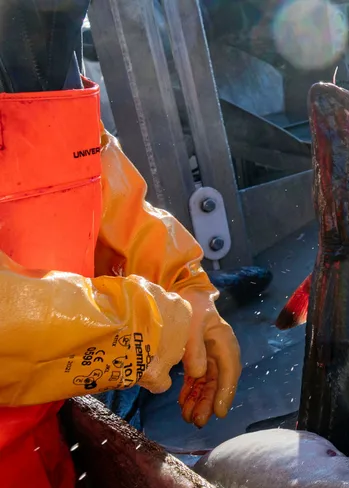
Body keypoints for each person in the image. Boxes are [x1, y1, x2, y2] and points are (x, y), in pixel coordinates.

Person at [0, 1, 242, 486]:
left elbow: (98, 191)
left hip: (41, 440)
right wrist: (144, 327)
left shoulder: (48, 36)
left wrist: (186, 284)